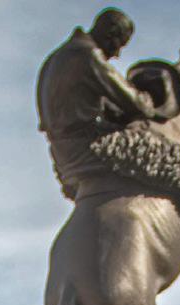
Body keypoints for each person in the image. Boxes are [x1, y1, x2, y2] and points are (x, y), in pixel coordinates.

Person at [37, 8, 157, 200]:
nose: (117, 54)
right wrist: (150, 100)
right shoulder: (88, 55)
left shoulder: (57, 56)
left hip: (61, 153)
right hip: (88, 147)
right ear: (110, 34)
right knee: (161, 153)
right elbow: (137, 105)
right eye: (119, 45)